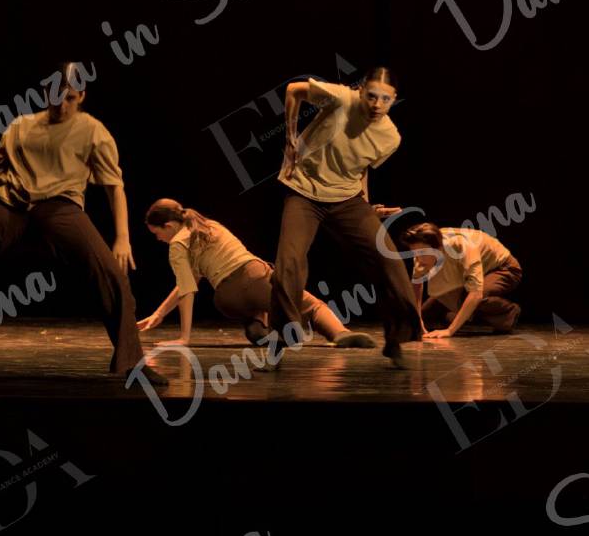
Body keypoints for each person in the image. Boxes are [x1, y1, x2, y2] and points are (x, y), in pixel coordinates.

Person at [0, 60, 164, 386]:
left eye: (70, 99)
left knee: (111, 274)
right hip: (10, 204)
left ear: (81, 96)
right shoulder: (20, 127)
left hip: (60, 207)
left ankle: (133, 365)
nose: (62, 106)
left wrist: (123, 237)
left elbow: (114, 187)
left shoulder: (93, 131)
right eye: (56, 97)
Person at [269, 66, 422, 366]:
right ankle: (279, 343)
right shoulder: (340, 98)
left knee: (388, 260)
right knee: (289, 261)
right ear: (361, 91)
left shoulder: (390, 137)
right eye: (371, 96)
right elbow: (293, 91)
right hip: (304, 192)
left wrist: (366, 205)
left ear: (394, 99)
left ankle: (395, 341)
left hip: (347, 199)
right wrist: (290, 136)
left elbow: (361, 167)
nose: (377, 104)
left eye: (385, 99)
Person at [136, 200, 375, 348]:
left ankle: (258, 328)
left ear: (169, 226)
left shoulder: (177, 244)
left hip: (226, 299)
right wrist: (162, 317)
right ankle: (339, 333)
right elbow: (188, 286)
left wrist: (183, 336)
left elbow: (187, 288)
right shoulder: (210, 227)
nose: (158, 239)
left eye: (156, 233)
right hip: (253, 278)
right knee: (311, 307)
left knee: (255, 308)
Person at [396, 221, 522, 337]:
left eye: (422, 253)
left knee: (473, 298)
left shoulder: (464, 246)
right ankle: (457, 315)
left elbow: (476, 294)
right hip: (464, 276)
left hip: (503, 269)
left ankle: (508, 313)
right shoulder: (423, 250)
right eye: (414, 253)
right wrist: (419, 320)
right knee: (424, 315)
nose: (418, 259)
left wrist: (450, 330)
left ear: (438, 249)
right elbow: (417, 286)